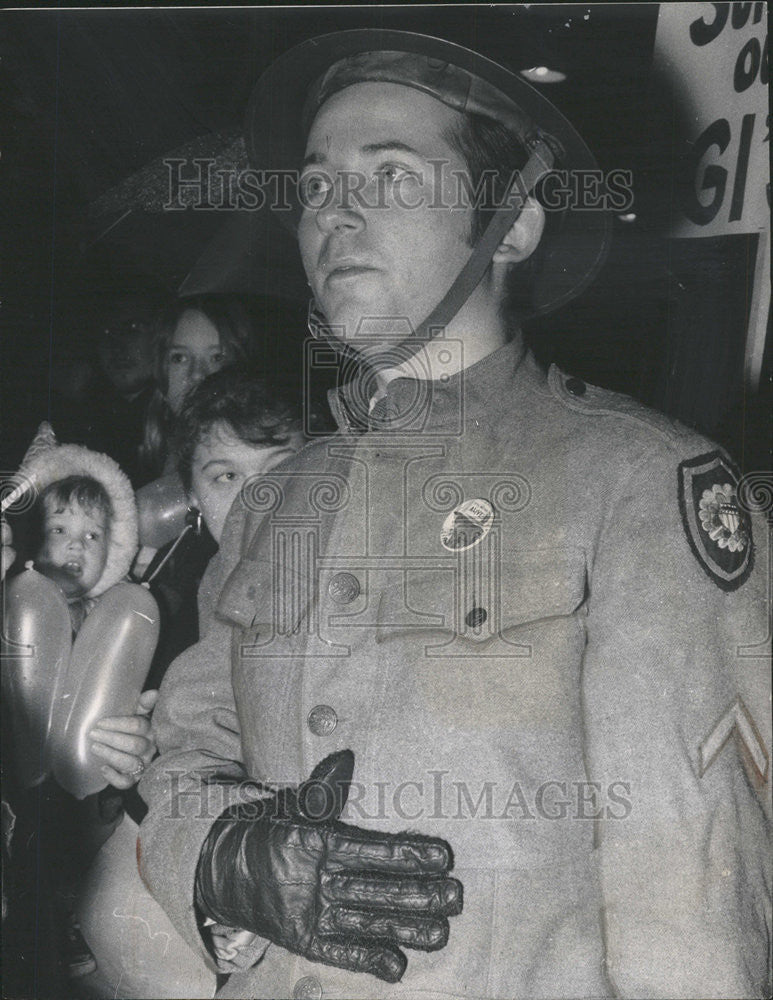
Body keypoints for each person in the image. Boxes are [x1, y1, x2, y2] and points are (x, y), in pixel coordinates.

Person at [137, 29, 772, 1000]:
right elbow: (183, 750)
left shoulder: (637, 484)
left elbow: (684, 915)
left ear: (508, 225)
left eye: (389, 177)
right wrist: (219, 850)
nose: (335, 214)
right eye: (314, 186)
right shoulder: (277, 501)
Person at [3, 424, 158, 982]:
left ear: (113, 551)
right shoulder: (14, 602)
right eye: (60, 529)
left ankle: (70, 914)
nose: (75, 545)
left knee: (81, 854)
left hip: (84, 791)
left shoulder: (110, 618)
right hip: (17, 778)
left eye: (92, 537)